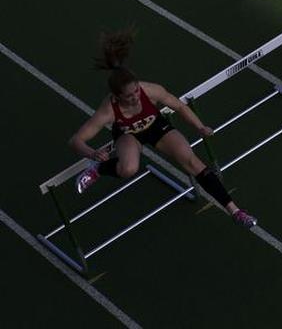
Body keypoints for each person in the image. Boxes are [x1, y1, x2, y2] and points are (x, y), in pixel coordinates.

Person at [70, 30, 257, 228]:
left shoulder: (151, 90)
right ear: (116, 96)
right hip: (128, 135)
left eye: (136, 91)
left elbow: (179, 106)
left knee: (192, 161)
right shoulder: (108, 110)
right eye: (129, 96)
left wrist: (200, 127)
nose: (135, 97)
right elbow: (75, 141)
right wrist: (92, 153)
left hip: (157, 127)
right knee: (128, 169)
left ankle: (235, 211)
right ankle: (98, 170)